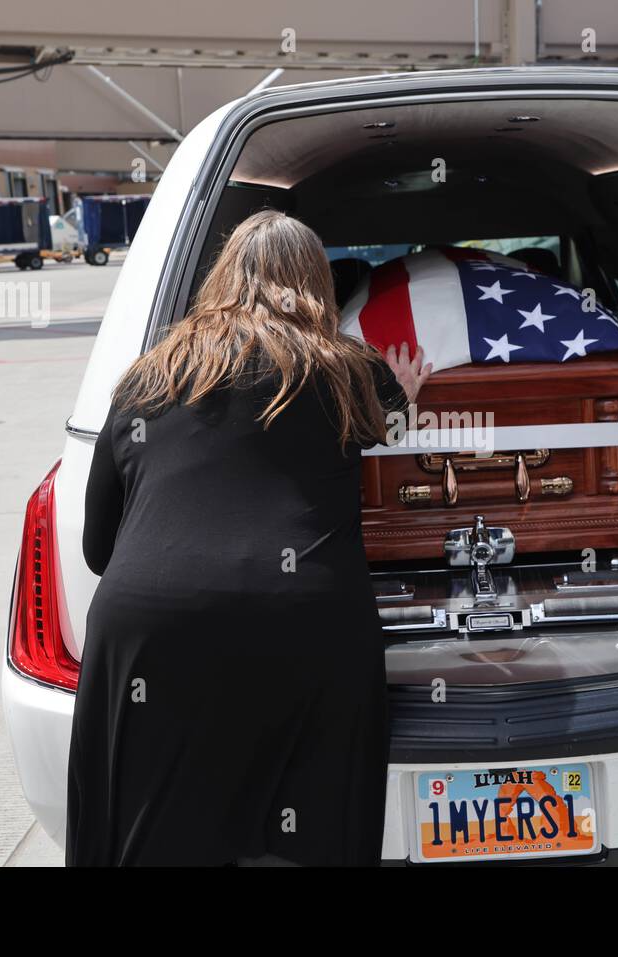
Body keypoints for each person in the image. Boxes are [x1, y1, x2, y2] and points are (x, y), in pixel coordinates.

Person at [66, 210, 431, 866]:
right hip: (303, 619)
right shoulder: (349, 370)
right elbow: (399, 430)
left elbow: (99, 548)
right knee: (311, 832)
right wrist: (404, 385)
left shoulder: (145, 376)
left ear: (221, 277)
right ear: (315, 284)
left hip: (151, 622)